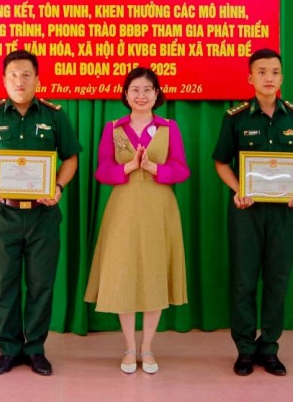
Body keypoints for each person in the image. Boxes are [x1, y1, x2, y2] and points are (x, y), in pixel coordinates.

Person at [0, 49, 81, 376]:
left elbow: (71, 158)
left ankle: (35, 349)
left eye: (26, 75)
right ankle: (8, 349)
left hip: (42, 216)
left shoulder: (55, 116)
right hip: (2, 215)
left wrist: (58, 186)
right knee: (3, 285)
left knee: (40, 285)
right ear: (4, 81)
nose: (20, 81)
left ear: (37, 80)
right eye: (13, 75)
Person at [212, 48, 293, 377]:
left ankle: (269, 347)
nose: (268, 77)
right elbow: (221, 162)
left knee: (277, 280)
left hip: (285, 213)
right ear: (250, 78)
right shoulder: (236, 118)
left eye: (274, 72)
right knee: (244, 280)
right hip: (247, 211)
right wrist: (237, 190)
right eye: (261, 72)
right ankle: (245, 349)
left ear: (281, 77)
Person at [84, 67, 189, 375]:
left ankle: (148, 347)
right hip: (123, 207)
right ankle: (130, 347)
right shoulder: (113, 128)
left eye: (147, 90)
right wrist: (128, 166)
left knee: (155, 273)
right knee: (124, 274)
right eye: (135, 90)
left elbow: (182, 169)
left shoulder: (169, 127)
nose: (141, 95)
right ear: (126, 95)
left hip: (159, 207)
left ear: (157, 94)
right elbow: (102, 171)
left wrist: (156, 169)